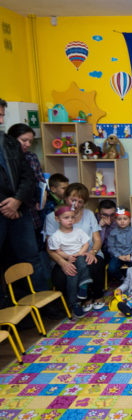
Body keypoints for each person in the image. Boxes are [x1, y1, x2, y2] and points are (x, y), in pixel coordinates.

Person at [0, 98, 48, 292]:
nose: (1, 120)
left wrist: (17, 200)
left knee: (31, 256)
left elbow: (28, 177)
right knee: (7, 260)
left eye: (2, 115)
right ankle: (9, 302)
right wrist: (6, 205)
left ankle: (41, 299)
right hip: (4, 210)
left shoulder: (10, 144)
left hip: (21, 209)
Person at [45, 183, 106, 309]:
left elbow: (97, 239)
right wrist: (63, 263)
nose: (76, 204)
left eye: (80, 202)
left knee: (94, 265)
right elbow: (50, 249)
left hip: (88, 252)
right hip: (64, 256)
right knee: (60, 277)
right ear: (65, 198)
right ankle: (79, 300)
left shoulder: (89, 214)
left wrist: (92, 252)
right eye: (73, 200)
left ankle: (97, 295)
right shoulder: (52, 218)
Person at [47, 205, 93, 318]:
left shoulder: (78, 231)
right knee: (72, 276)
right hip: (68, 260)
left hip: (80, 255)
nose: (70, 220)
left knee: (82, 262)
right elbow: (57, 251)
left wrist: (80, 253)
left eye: (72, 217)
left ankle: (83, 286)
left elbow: (86, 244)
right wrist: (68, 257)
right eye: (66, 218)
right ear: (57, 219)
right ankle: (74, 303)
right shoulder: (56, 236)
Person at [8, 124, 45, 238]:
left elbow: (40, 180)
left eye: (30, 141)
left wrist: (41, 196)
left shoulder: (31, 157)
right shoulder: (6, 159)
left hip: (32, 211)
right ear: (11, 139)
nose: (28, 144)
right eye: (24, 140)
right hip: (10, 210)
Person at [106, 208, 132, 282]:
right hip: (117, 255)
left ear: (129, 220)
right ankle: (123, 279)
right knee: (111, 268)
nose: (122, 221)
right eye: (119, 219)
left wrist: (130, 254)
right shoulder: (113, 232)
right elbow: (111, 247)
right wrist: (119, 256)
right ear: (116, 220)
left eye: (125, 219)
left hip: (131, 255)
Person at [96, 199, 117, 265]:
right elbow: (98, 245)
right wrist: (101, 227)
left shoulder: (117, 221)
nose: (109, 219)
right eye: (105, 215)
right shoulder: (94, 221)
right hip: (98, 252)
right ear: (99, 214)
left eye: (112, 215)